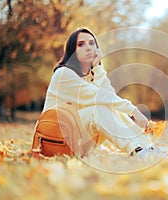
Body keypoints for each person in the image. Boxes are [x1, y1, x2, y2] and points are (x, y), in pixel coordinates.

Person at [42, 28, 161, 159]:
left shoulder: (89, 77)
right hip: (54, 139)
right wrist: (133, 111)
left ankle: (148, 147)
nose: (88, 48)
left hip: (76, 143)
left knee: (109, 107)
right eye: (81, 44)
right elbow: (102, 97)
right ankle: (136, 150)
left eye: (92, 43)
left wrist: (98, 67)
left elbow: (108, 95)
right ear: (72, 51)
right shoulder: (64, 74)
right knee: (98, 110)